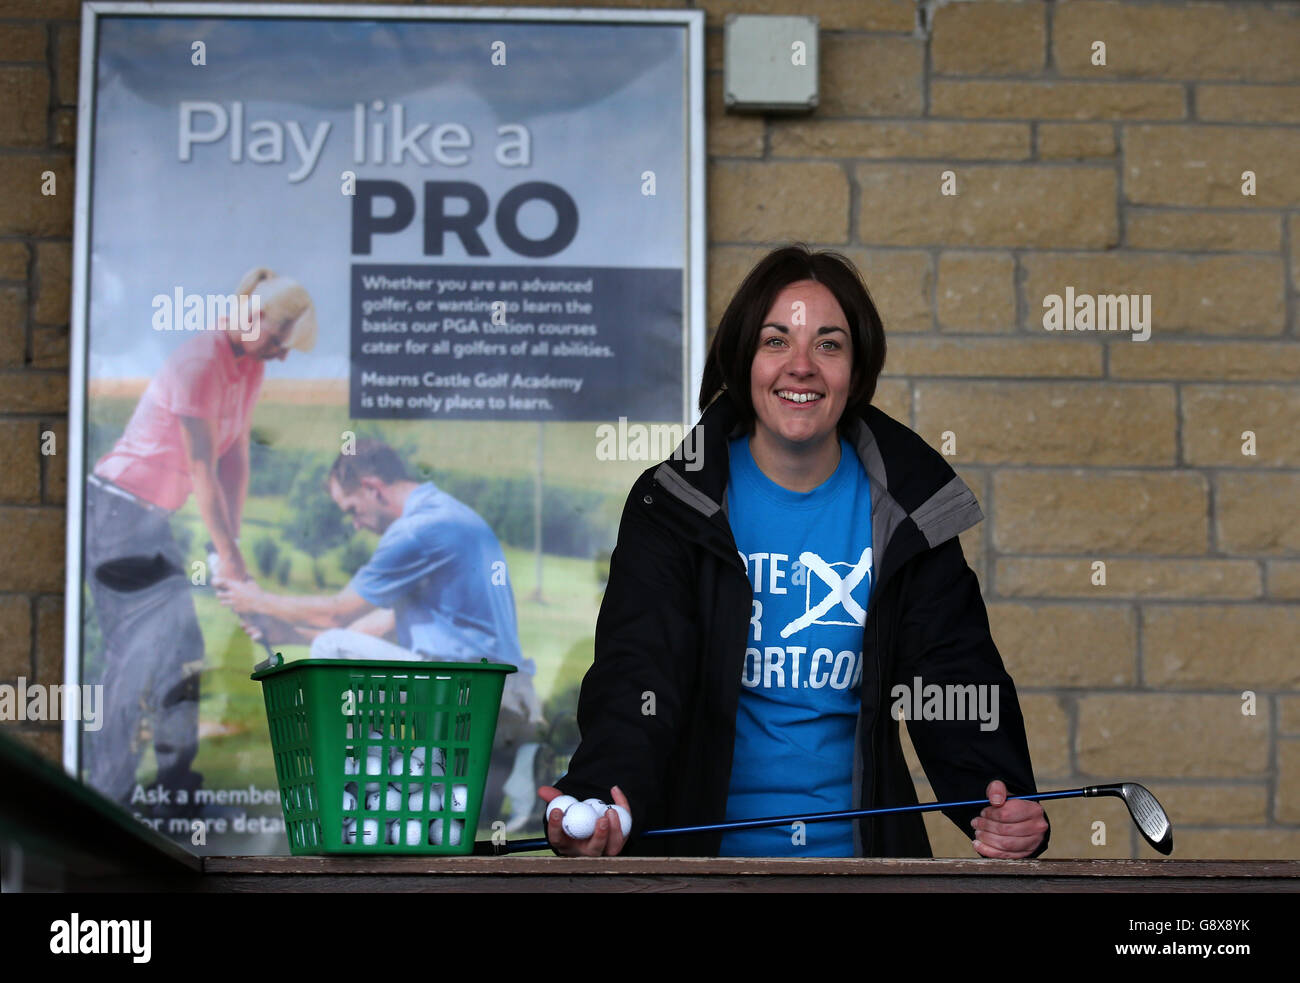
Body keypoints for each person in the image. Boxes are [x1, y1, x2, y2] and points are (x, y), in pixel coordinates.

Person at [538, 244, 1050, 859]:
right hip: (698, 872)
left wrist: (999, 799)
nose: (801, 366)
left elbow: (954, 670)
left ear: (857, 372)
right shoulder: (674, 503)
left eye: (828, 344)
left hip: (865, 869)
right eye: (776, 341)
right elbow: (638, 671)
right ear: (742, 359)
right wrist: (601, 795)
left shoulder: (906, 507)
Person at [214, 438, 545, 826]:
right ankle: (513, 762)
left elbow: (338, 617)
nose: (355, 523)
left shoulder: (418, 530)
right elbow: (382, 625)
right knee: (450, 825)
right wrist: (283, 629)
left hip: (470, 686)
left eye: (352, 510)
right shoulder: (447, 515)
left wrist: (256, 599)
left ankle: (373, 778)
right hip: (502, 688)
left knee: (329, 645)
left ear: (373, 488)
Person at [84, 267, 317, 810]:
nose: (283, 353)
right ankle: (107, 796)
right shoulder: (200, 363)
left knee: (185, 652)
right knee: (134, 658)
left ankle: (174, 789)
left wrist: (225, 548)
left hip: (152, 521)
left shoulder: (248, 367)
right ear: (256, 317)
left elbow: (233, 459)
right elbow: (200, 469)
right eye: (281, 339)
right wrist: (232, 561)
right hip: (116, 514)